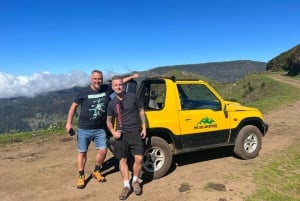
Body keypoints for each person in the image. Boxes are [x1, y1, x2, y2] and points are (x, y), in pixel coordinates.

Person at [66, 70, 138, 189]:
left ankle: (96, 171)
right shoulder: (83, 92)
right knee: (82, 152)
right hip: (84, 128)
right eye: (95, 79)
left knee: (103, 151)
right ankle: (81, 176)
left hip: (100, 128)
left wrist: (132, 77)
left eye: (99, 79)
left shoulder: (106, 88)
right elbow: (73, 107)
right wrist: (69, 123)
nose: (97, 81)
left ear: (102, 79)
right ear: (91, 79)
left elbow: (119, 83)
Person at [106, 75, 147, 200]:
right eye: (116, 85)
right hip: (121, 135)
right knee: (122, 160)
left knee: (139, 158)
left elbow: (141, 110)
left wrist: (144, 127)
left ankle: (135, 181)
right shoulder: (112, 103)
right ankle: (126, 186)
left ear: (123, 85)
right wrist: (113, 132)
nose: (118, 87)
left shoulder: (132, 97)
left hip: (135, 132)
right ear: (112, 87)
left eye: (120, 84)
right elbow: (108, 120)